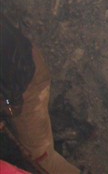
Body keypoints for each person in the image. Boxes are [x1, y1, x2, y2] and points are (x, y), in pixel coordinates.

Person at [0, 13, 80, 174]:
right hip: (22, 67)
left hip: (27, 88)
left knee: (42, 157)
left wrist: (4, 108)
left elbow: (13, 105)